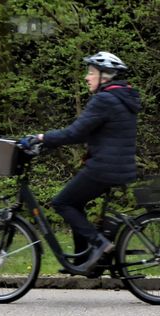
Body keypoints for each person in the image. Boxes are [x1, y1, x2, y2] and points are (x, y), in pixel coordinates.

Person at [28, 51, 142, 273]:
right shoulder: (122, 98)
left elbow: (75, 132)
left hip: (104, 167)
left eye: (91, 73)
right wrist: (50, 142)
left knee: (62, 202)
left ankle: (99, 244)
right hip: (117, 166)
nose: (86, 77)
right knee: (75, 204)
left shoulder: (104, 99)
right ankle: (84, 261)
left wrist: (42, 138)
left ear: (105, 76)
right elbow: (83, 134)